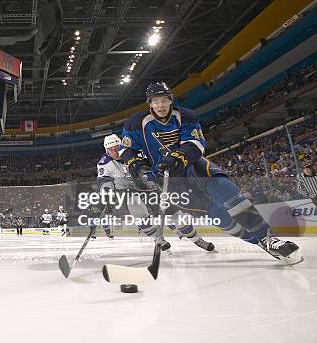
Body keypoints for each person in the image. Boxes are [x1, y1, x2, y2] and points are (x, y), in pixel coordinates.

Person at [120, 82, 301, 264]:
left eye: (165, 101)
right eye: (156, 101)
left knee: (228, 192)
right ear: (149, 103)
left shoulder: (186, 116)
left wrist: (176, 157)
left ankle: (268, 238)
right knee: (219, 217)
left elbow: (195, 144)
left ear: (171, 100)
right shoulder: (135, 123)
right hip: (167, 180)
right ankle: (259, 242)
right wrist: (139, 166)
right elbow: (126, 150)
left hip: (192, 166)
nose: (161, 106)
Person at [98, 133, 215, 251]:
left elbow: (156, 161)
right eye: (111, 150)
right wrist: (106, 190)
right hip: (127, 189)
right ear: (107, 152)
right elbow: (104, 179)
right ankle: (158, 239)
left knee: (175, 214)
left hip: (149, 186)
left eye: (117, 148)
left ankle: (197, 239)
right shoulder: (104, 162)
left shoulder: (136, 152)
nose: (115, 152)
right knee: (138, 210)